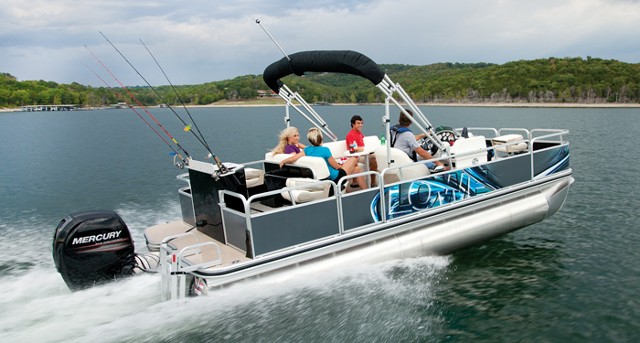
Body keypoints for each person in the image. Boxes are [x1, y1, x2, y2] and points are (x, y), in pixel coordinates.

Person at [280, 128, 368, 191]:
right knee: (353, 159)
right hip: (335, 178)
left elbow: (292, 159)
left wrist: (283, 161)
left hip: (322, 178)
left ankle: (363, 191)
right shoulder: (325, 150)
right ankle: (365, 191)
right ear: (321, 138)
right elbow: (336, 166)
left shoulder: (307, 150)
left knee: (357, 169)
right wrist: (344, 165)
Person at [345, 115, 378, 186]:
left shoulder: (359, 133)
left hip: (363, 154)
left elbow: (362, 143)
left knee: (373, 157)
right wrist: (363, 149)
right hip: (356, 157)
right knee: (372, 159)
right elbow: (353, 148)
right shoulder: (350, 135)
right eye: (358, 123)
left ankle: (372, 180)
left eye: (361, 123)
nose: (360, 125)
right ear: (353, 124)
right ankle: (372, 183)